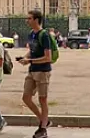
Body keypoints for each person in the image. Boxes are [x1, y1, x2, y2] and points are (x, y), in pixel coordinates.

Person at [18, 9, 53, 138]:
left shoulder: (44, 35)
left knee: (42, 99)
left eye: (29, 18)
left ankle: (43, 129)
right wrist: (25, 58)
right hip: (32, 70)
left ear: (36, 20)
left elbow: (47, 57)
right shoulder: (31, 34)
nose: (27, 21)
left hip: (43, 71)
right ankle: (45, 120)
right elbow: (32, 51)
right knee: (26, 98)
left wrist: (30, 60)